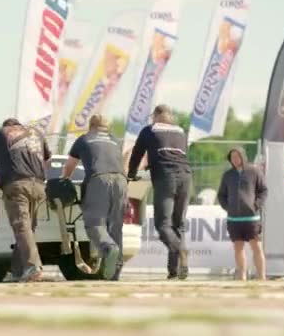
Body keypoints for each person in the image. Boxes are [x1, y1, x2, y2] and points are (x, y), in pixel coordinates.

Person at [0, 118, 51, 282]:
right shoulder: (37, 133)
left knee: (21, 226)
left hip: (16, 184)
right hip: (38, 185)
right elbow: (47, 160)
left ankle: (33, 267)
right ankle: (18, 271)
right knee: (28, 229)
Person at [127, 104, 191, 280]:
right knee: (178, 225)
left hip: (165, 177)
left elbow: (137, 154)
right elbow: (176, 154)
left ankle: (180, 251)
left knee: (163, 225)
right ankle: (174, 271)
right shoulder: (180, 131)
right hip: (186, 176)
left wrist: (131, 174)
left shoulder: (149, 130)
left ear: (155, 116)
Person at [61, 115, 126, 280]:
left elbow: (69, 166)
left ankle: (108, 247)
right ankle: (115, 273)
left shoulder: (84, 139)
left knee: (94, 224)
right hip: (121, 179)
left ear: (90, 126)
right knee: (115, 226)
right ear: (107, 126)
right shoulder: (114, 140)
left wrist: (64, 180)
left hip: (99, 179)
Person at [218, 148, 268, 281]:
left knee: (256, 247)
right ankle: (242, 277)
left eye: (237, 156)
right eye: (232, 157)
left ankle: (261, 277)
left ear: (243, 157)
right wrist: (228, 207)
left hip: (251, 219)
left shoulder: (254, 171)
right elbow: (221, 195)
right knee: (238, 248)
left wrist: (256, 205)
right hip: (234, 219)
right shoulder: (227, 175)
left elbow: (263, 190)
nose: (235, 159)